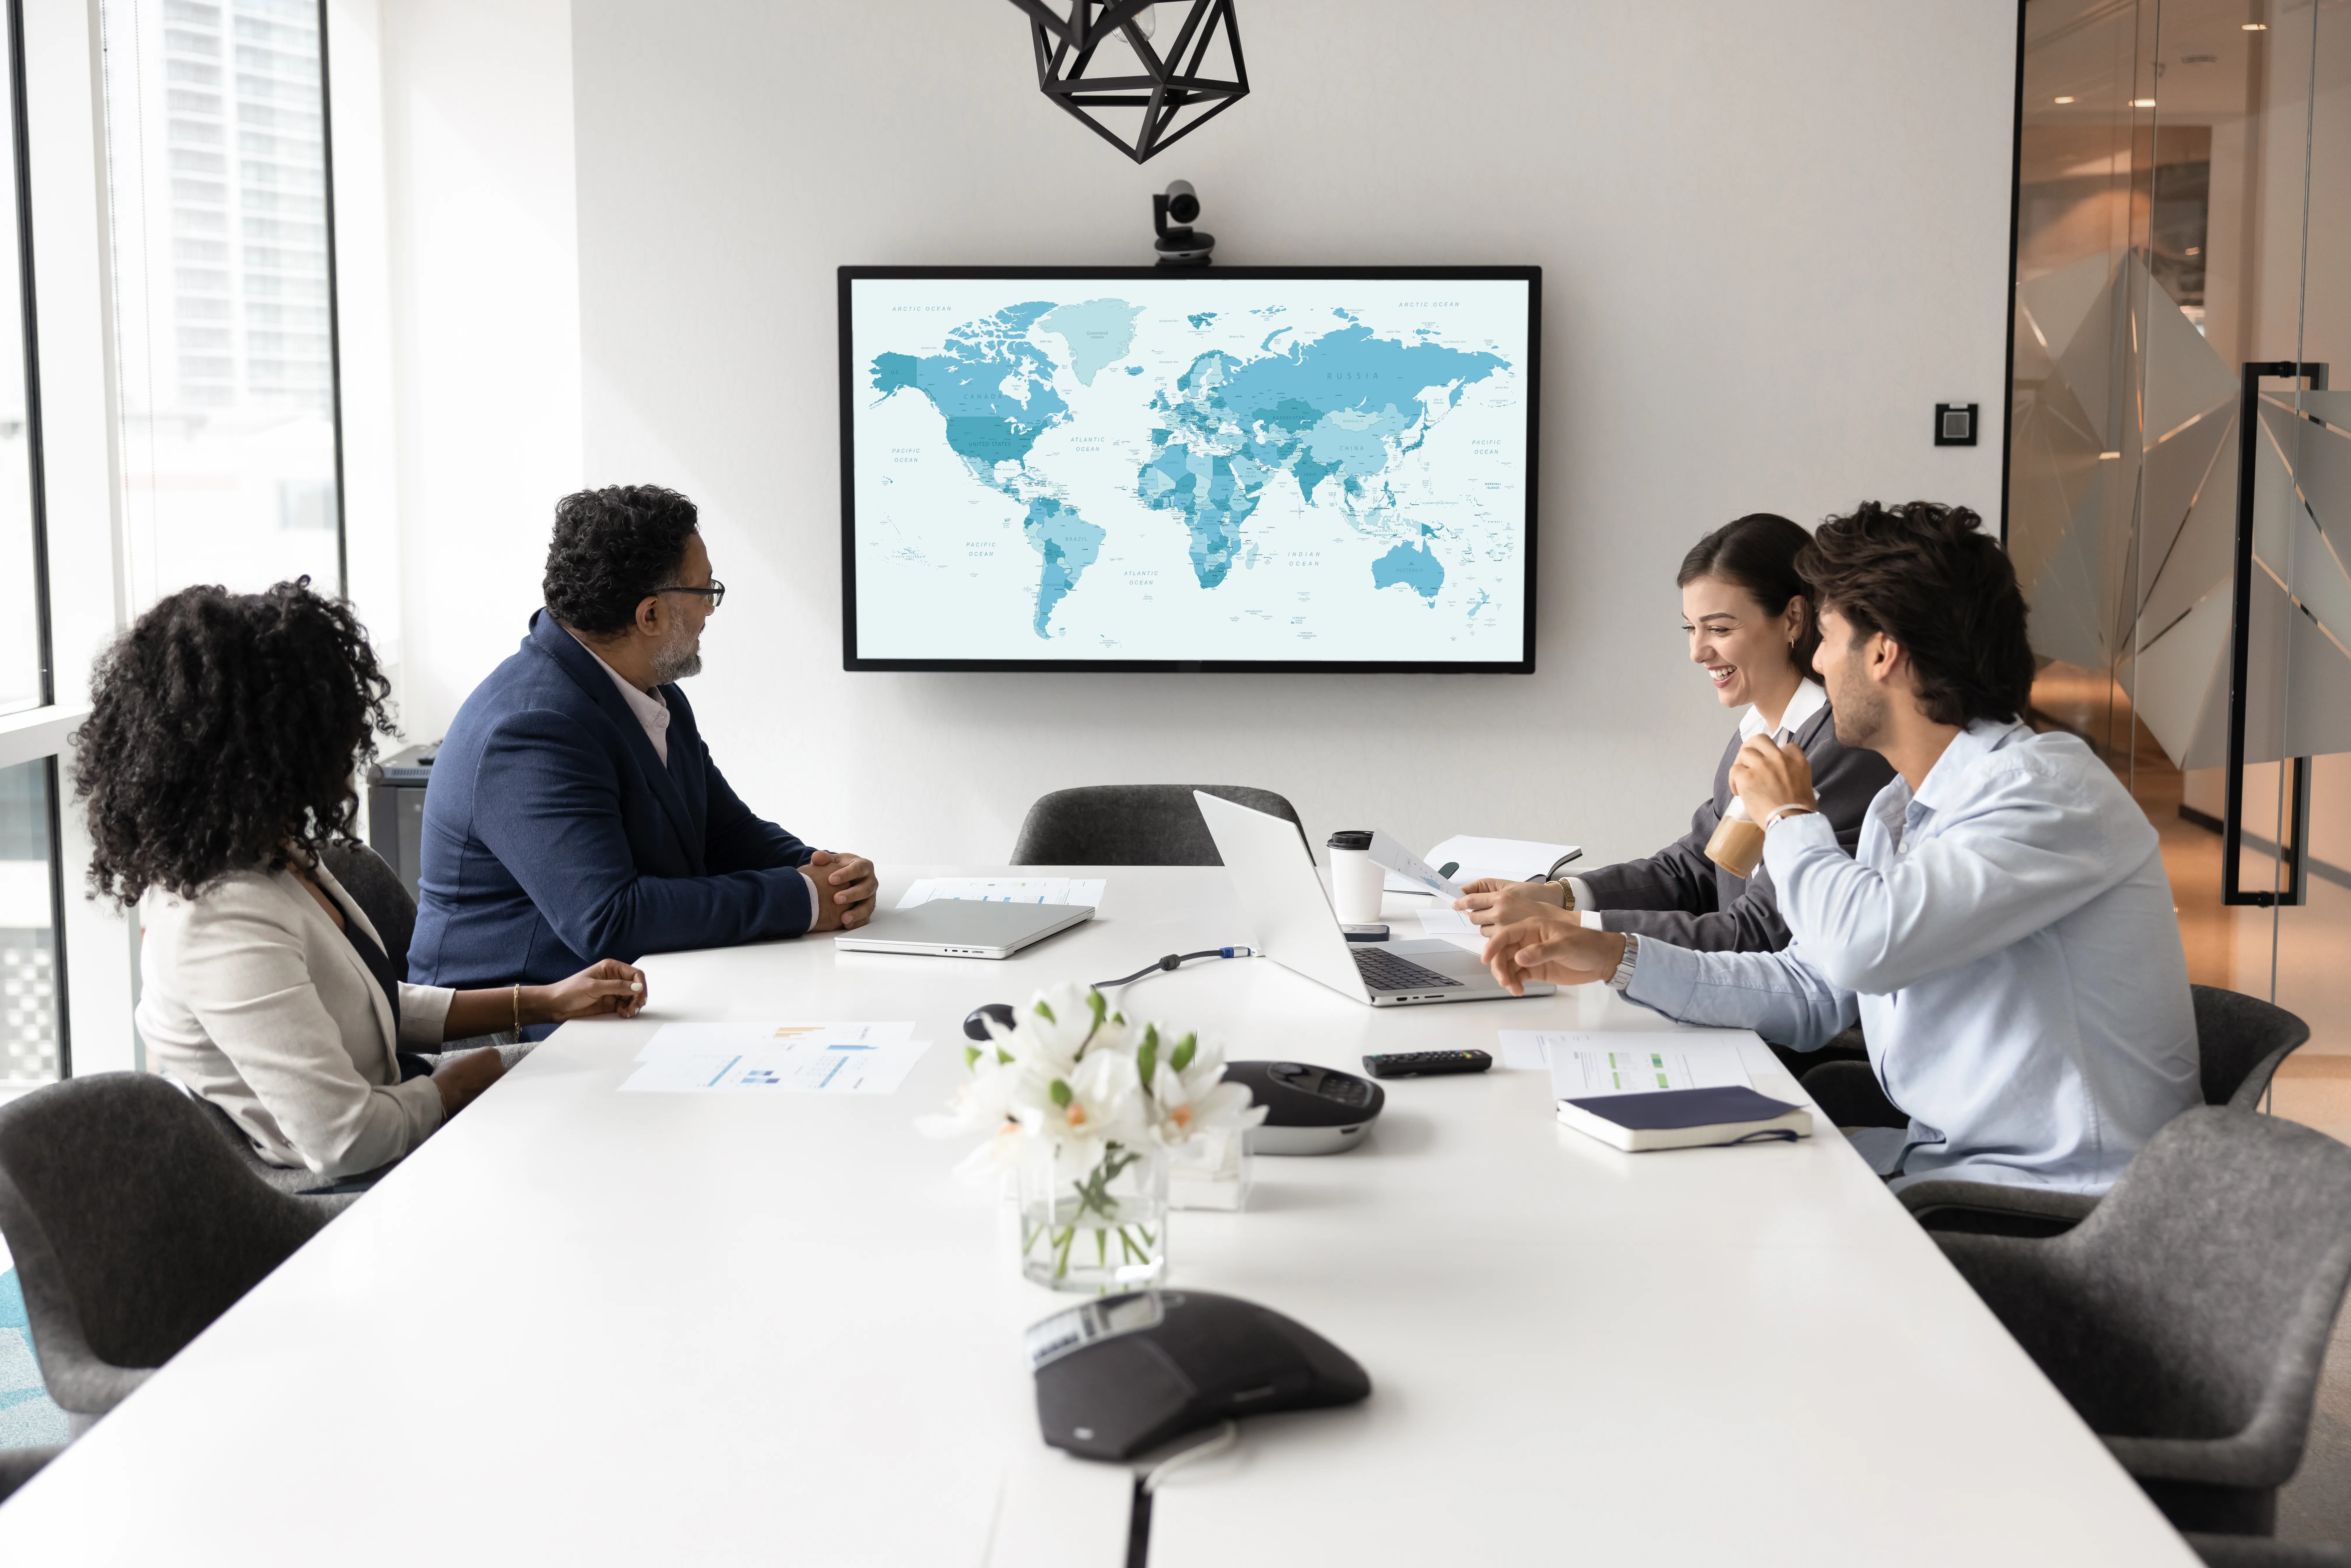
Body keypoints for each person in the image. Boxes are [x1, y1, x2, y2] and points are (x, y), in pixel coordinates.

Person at [1480, 501, 2199, 1193]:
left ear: (1883, 652)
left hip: (2043, 1200)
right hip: (1940, 1164)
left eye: (1824, 637)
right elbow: (1813, 988)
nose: (1817, 663)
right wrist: (1615, 957)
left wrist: (1790, 816)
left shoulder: (2045, 793)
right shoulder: (1902, 807)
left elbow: (1863, 945)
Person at [79, 581, 647, 1184]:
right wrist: (456, 1084)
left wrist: (543, 999)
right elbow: (345, 1141)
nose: (348, 746)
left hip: (410, 1114)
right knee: (619, 1124)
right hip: (359, 1193)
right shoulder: (218, 921)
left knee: (625, 1076)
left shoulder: (275, 853)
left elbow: (361, 1002)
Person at [408, 485, 876, 1013]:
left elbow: (723, 832)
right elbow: (609, 920)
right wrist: (805, 899)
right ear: (650, 615)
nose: (711, 612)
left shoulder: (646, 689)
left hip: (628, 1000)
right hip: (513, 1036)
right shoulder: (531, 729)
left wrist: (829, 877)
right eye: (705, 593)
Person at [1456, 513, 1893, 952]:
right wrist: (1559, 896)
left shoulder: (1842, 750)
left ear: (1794, 618)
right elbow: (1696, 867)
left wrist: (1573, 928)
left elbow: (1763, 934)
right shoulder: (1755, 735)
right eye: (1691, 628)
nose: (1697, 651)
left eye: (1720, 629)